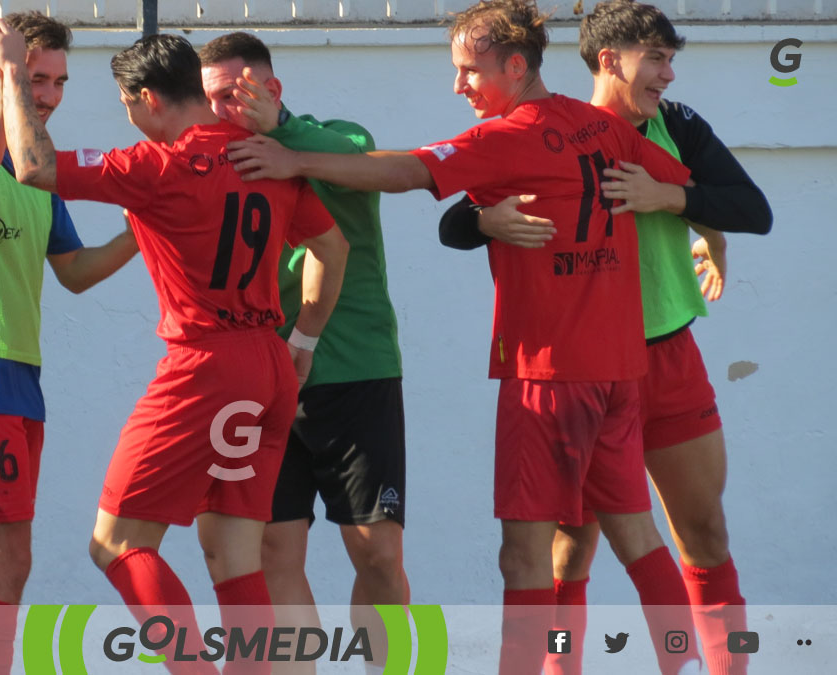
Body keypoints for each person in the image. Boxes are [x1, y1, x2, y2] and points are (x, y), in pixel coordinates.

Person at [226, 1, 705, 672]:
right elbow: (682, 177)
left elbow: (405, 171)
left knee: (525, 557)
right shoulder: (598, 124)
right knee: (638, 537)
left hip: (548, 378)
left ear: (515, 66)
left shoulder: (507, 137)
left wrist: (290, 159)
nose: (459, 86)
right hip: (619, 374)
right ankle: (683, 657)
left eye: (468, 70)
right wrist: (492, 220)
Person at [0, 20, 349, 674]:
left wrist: (11, 73)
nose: (130, 122)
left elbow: (33, 165)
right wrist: (306, 335)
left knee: (115, 542)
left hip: (205, 365)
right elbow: (331, 247)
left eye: (129, 109)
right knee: (233, 554)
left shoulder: (158, 164)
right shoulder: (257, 153)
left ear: (149, 99)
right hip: (268, 363)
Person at [438, 2, 772, 673]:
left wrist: (675, 202)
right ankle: (562, 664)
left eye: (671, 59)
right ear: (609, 60)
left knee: (703, 531)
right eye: (657, 58)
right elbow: (454, 220)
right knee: (571, 551)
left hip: (668, 358)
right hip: (583, 370)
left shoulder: (676, 127)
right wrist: (485, 224)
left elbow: (751, 207)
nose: (669, 75)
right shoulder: (550, 128)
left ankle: (723, 666)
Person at [0, 12, 139, 675]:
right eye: (35, 79)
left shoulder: (39, 174)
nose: (49, 96)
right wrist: (8, 89)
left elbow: (75, 272)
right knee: (8, 560)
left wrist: (142, 228)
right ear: (0, 74)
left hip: (18, 383)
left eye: (59, 83)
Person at [199, 32, 407, 675]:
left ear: (272, 89)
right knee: (270, 551)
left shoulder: (333, 138)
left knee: (377, 554)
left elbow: (363, 156)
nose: (223, 111)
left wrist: (283, 141)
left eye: (235, 94)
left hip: (355, 373)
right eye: (212, 99)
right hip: (259, 381)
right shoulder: (214, 160)